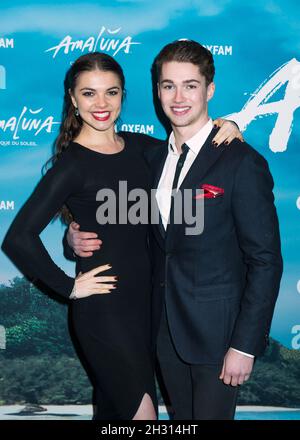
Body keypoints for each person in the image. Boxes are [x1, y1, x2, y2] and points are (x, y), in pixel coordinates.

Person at [1, 51, 240, 421]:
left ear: (123, 96)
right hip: (104, 311)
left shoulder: (142, 149)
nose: (101, 104)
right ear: (72, 98)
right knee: (143, 418)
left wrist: (228, 126)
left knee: (115, 416)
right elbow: (17, 238)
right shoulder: (73, 165)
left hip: (148, 311)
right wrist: (67, 287)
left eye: (111, 93)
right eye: (89, 93)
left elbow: (191, 152)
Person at [67, 41, 283, 420]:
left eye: (190, 85)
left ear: (209, 90)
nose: (178, 97)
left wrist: (244, 346)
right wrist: (72, 235)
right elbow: (93, 177)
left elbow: (265, 261)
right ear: (157, 91)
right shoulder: (145, 155)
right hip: (160, 334)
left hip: (219, 339)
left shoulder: (240, 162)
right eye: (168, 86)